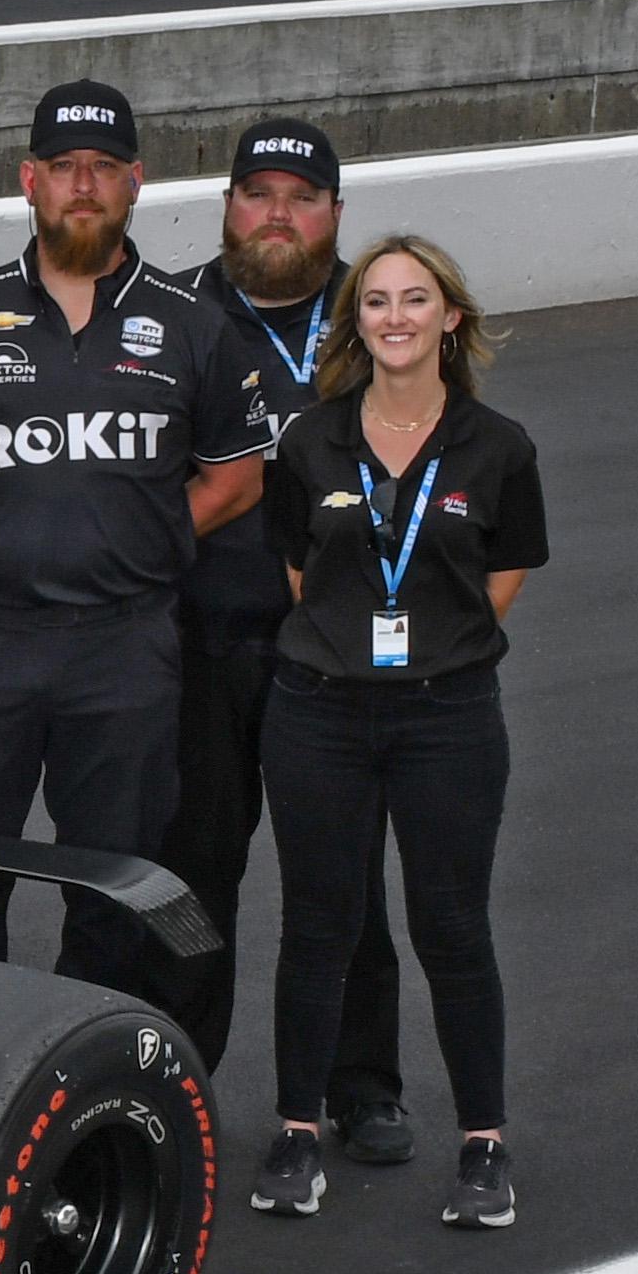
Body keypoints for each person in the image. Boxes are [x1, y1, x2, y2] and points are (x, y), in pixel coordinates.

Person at [0, 81, 270, 998]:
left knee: (114, 893)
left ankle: (87, 1101)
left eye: (103, 168)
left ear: (135, 183)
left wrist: (138, 538)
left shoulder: (194, 325)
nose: (83, 185)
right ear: (29, 179)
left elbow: (238, 477)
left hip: (124, 647)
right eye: (64, 167)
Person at [251, 237, 542, 1232]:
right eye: (375, 301)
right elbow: (299, 572)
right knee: (317, 926)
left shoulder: (497, 448)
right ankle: (296, 1132)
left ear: (449, 319)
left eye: (415, 299)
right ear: (356, 323)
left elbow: (500, 578)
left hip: (446, 717)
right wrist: (354, 643)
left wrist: (433, 645)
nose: (395, 316)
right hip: (319, 712)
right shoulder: (308, 442)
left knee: (452, 929)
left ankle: (484, 1145)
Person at [172, 118, 406, 1149]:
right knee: (187, 879)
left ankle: (360, 1086)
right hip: (197, 643)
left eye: (300, 196)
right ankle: (169, 1076)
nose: (276, 214)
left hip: (336, 653)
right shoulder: (168, 314)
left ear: (334, 215)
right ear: (225, 206)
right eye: (256, 193)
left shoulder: (386, 315)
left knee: (340, 873)